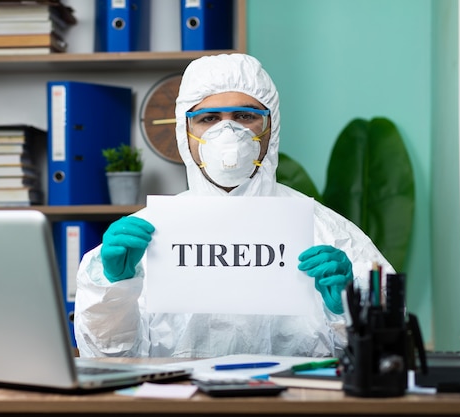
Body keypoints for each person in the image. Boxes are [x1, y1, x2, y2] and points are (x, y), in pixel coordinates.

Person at [74, 53, 392, 358]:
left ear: (271, 128)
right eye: (208, 118)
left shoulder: (330, 235)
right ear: (186, 133)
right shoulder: (145, 239)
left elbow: (384, 355)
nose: (227, 132)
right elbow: (106, 358)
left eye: (245, 116)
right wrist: (116, 289)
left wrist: (346, 309)